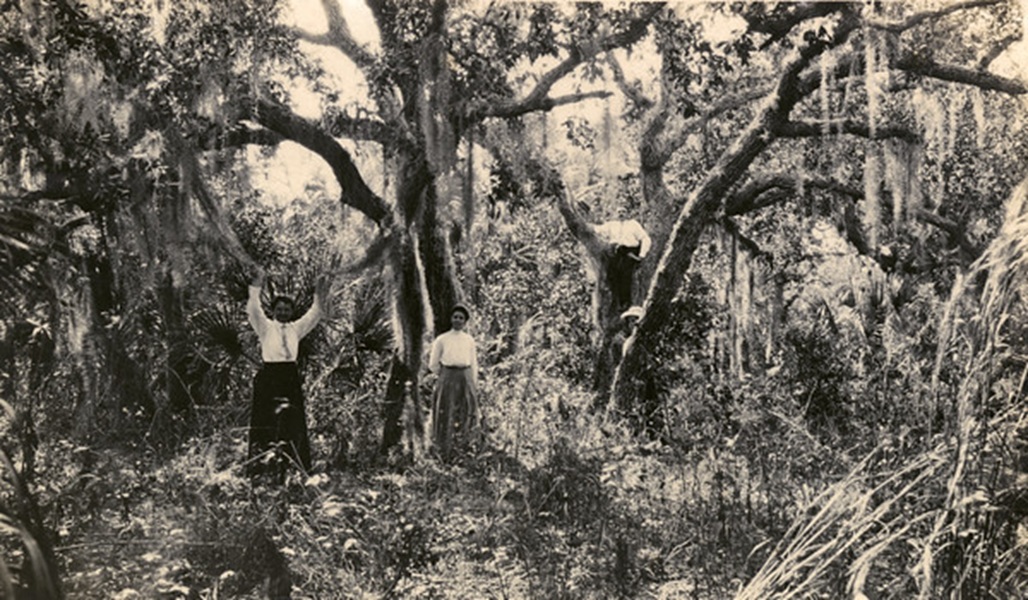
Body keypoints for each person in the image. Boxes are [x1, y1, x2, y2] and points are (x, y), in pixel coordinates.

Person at [246, 268, 328, 480]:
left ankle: (294, 469)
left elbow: (315, 313)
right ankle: (261, 470)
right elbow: (254, 310)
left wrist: (320, 291)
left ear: (291, 312)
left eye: (286, 310)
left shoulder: (296, 329)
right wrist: (256, 285)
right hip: (269, 377)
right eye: (279, 309)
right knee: (265, 422)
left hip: (289, 377)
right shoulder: (265, 327)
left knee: (292, 422)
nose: (283, 313)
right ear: (273, 311)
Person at [428, 303, 480, 461]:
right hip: (447, 378)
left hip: (465, 377)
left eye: (461, 318)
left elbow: (473, 362)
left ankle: (464, 449)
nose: (458, 320)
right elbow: (433, 364)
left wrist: (473, 381)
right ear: (451, 319)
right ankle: (444, 450)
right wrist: (444, 376)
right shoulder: (442, 339)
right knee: (446, 410)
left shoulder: (469, 340)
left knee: (465, 410)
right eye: (455, 317)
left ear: (465, 321)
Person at [594, 217, 652, 312]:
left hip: (629, 252)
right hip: (616, 253)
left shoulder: (633, 224)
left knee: (626, 277)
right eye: (619, 211)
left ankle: (626, 303)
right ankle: (617, 303)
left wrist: (642, 255)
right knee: (613, 276)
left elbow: (645, 238)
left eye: (624, 211)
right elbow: (598, 229)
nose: (621, 214)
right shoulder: (612, 224)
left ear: (627, 213)